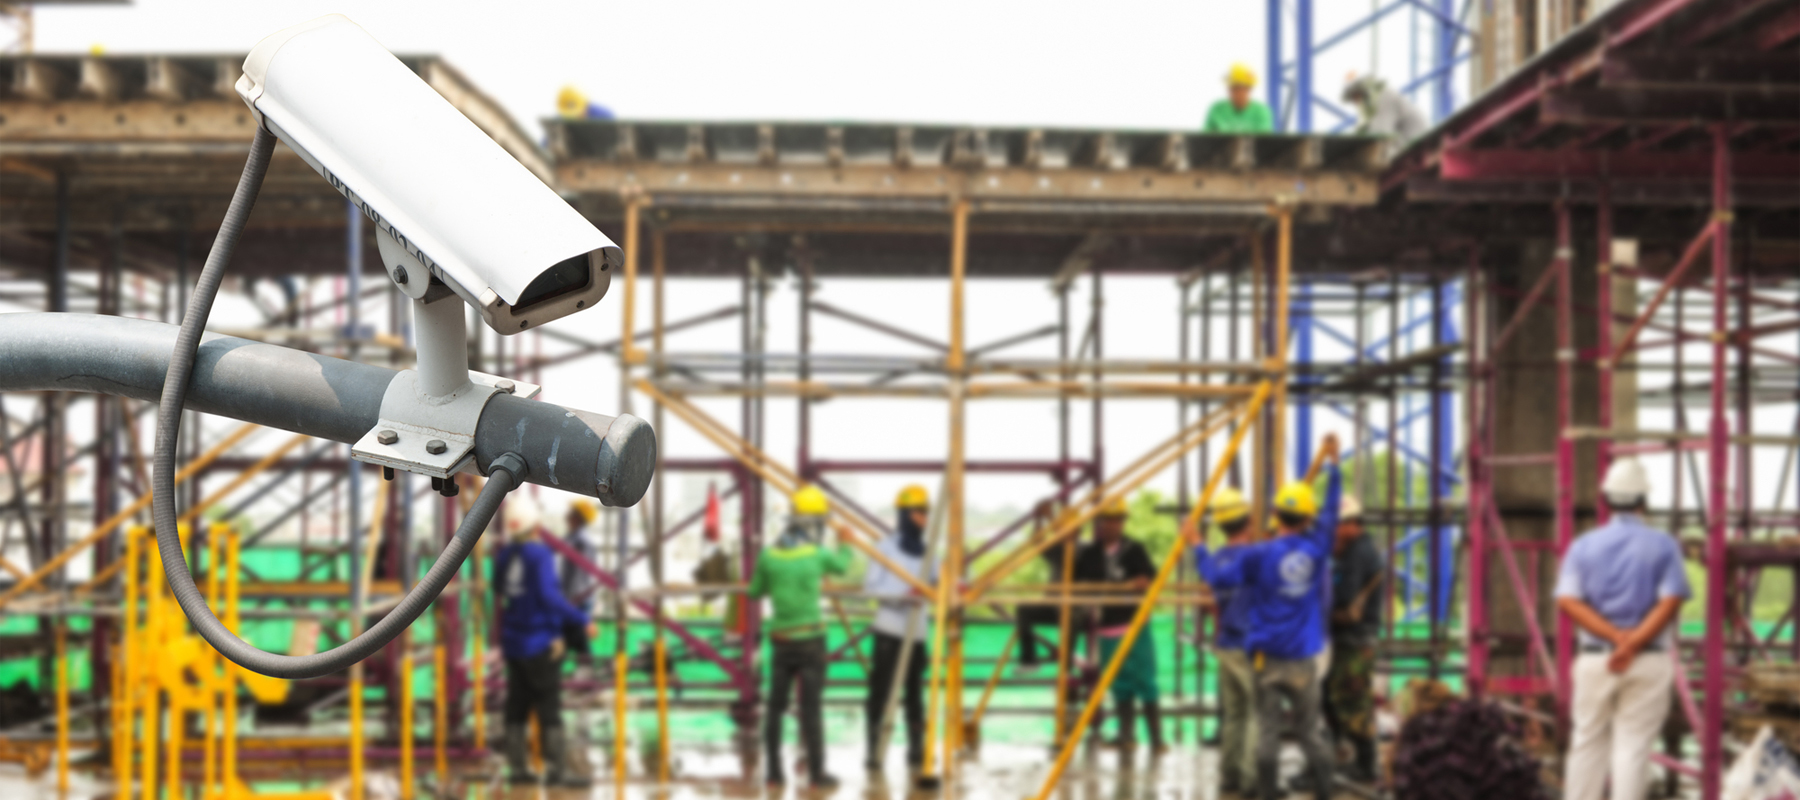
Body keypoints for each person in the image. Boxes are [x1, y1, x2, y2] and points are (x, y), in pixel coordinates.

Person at [1192, 434, 1341, 800]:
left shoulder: (1258, 554)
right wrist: (1333, 468)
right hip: (1303, 659)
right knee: (1309, 732)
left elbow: (1216, 577)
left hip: (1265, 658)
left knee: (1267, 731)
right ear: (1307, 517)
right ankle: (1326, 793)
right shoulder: (1317, 548)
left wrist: (1197, 545)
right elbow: (1331, 514)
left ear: (1274, 515)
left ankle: (1267, 793)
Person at [1555, 458, 1690, 800]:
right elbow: (1671, 600)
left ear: (1605, 499)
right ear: (1644, 501)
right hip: (1648, 659)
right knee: (1633, 747)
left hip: (1596, 659)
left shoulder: (1582, 546)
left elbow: (1569, 601)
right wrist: (1632, 643)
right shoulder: (1663, 545)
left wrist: (1616, 639)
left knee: (1587, 741)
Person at [748, 485, 854, 789]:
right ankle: (818, 774)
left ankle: (773, 773)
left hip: (781, 641)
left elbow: (755, 591)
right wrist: (845, 543)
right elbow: (843, 565)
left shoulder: (769, 556)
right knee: (811, 709)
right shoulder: (819, 554)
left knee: (775, 709)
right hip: (810, 640)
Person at [493, 498, 595, 787]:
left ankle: (518, 769)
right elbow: (551, 598)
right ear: (535, 525)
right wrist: (581, 619)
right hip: (539, 643)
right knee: (548, 707)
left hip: (513, 643)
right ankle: (557, 772)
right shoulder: (540, 556)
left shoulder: (505, 554)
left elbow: (499, 587)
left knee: (518, 704)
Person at [1075, 496, 1166, 755]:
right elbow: (1078, 583)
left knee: (1145, 679)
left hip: (1134, 625)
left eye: (1117, 520)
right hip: (1106, 626)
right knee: (1118, 681)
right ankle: (1126, 735)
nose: (1112, 526)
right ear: (1100, 523)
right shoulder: (1090, 554)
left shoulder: (1134, 549)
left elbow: (1151, 576)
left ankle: (1157, 739)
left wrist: (1140, 583)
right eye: (1107, 521)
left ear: (1123, 522)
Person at [862, 484, 937, 772]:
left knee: (914, 693)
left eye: (926, 513)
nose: (924, 519)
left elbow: (938, 580)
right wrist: (902, 598)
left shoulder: (929, 552)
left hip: (917, 633)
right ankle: (873, 750)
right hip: (889, 631)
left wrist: (947, 585)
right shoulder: (884, 549)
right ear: (905, 515)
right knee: (879, 691)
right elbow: (870, 589)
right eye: (919, 513)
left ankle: (915, 748)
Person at [1198, 487, 1259, 797]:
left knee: (1234, 714)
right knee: (1254, 712)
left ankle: (1229, 776)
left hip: (1224, 643)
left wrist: (1197, 546)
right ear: (1248, 520)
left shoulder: (1216, 560)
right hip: (1249, 645)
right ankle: (1250, 781)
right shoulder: (1254, 556)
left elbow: (1209, 600)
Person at [1324, 495, 1383, 784]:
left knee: (1353, 698)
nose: (1333, 531)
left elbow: (1345, 596)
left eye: (1337, 525)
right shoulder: (1350, 551)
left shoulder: (1359, 553)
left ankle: (1367, 765)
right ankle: (1348, 756)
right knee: (1339, 697)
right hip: (1349, 638)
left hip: (1356, 640)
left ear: (1351, 525)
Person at [558, 499, 601, 669]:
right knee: (572, 638)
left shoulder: (580, 542)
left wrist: (569, 602)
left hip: (577, 599)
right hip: (576, 598)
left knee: (572, 637)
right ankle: (585, 675)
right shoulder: (573, 538)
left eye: (571, 513)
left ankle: (586, 676)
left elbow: (578, 576)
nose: (567, 516)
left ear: (577, 518)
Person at [1341, 74, 1427, 145]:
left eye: (1355, 96)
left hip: (1413, 139)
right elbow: (1363, 132)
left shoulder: (1383, 95)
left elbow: (1381, 133)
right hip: (1403, 139)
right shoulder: (1368, 107)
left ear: (1362, 91)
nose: (1355, 103)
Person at [1205, 63, 1276, 134]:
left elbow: (1263, 141)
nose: (1235, 92)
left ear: (1249, 89)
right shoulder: (1217, 110)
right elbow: (1205, 139)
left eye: (1239, 88)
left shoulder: (1261, 112)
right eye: (1232, 88)